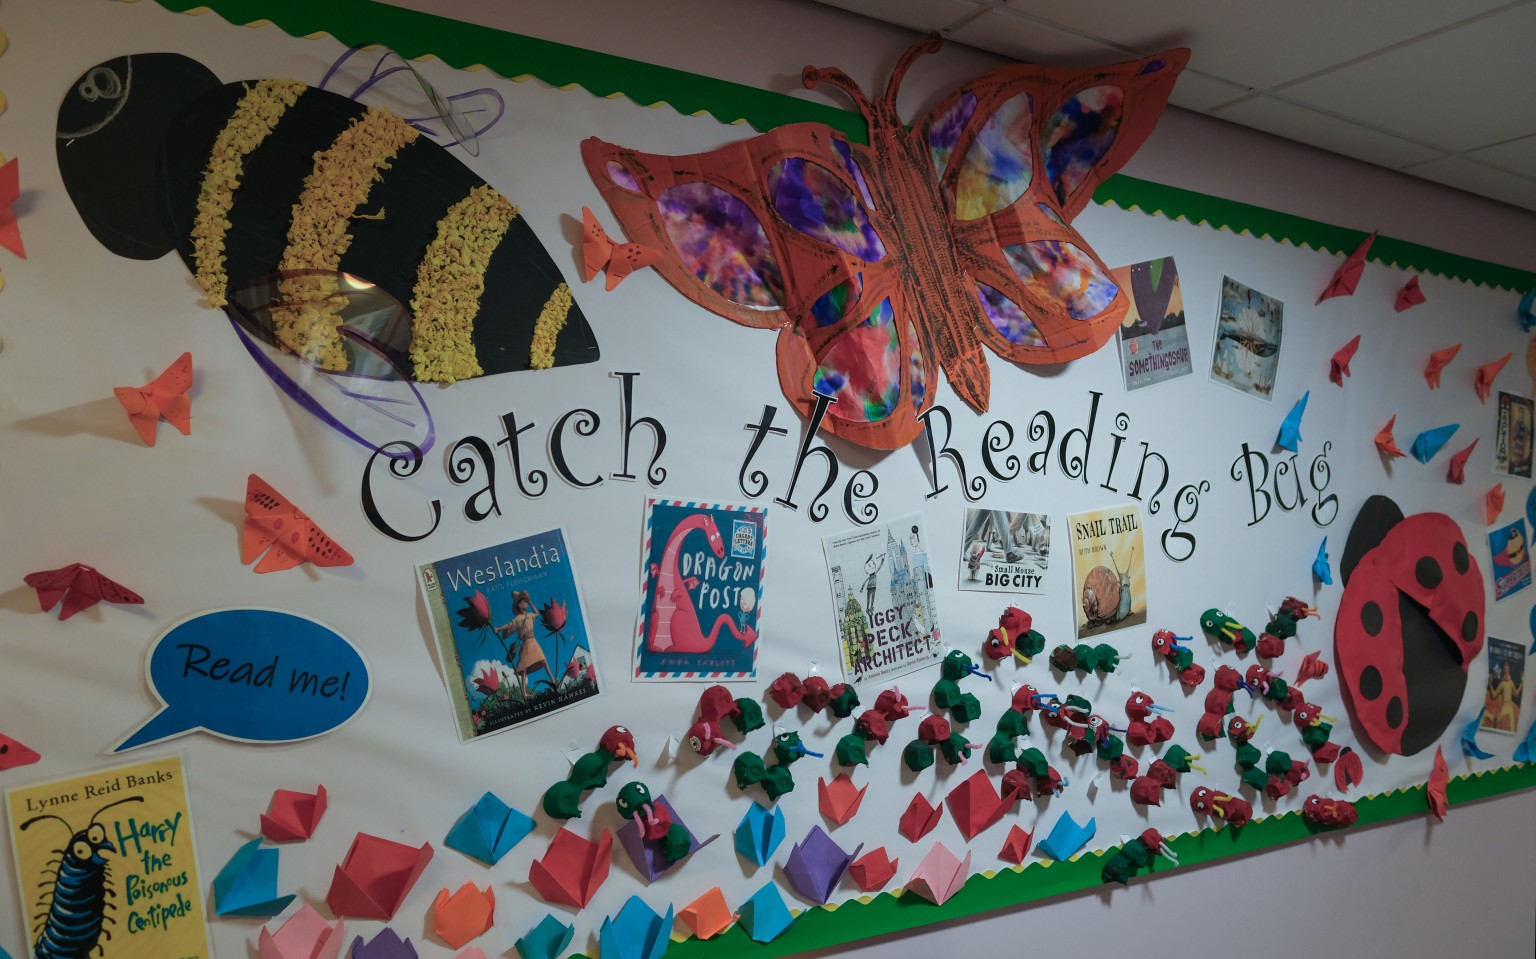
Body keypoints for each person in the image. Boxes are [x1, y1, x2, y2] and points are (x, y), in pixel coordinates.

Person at [496, 590, 552, 700]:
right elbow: (509, 625)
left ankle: (553, 680)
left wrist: (530, 602)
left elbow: (537, 613)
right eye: (524, 601)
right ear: (519, 605)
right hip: (526, 643)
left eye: (526, 601)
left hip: (533, 641)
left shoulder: (530, 615)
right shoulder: (518, 618)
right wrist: (498, 629)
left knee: (543, 660)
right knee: (524, 668)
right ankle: (524, 693)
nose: (526, 603)